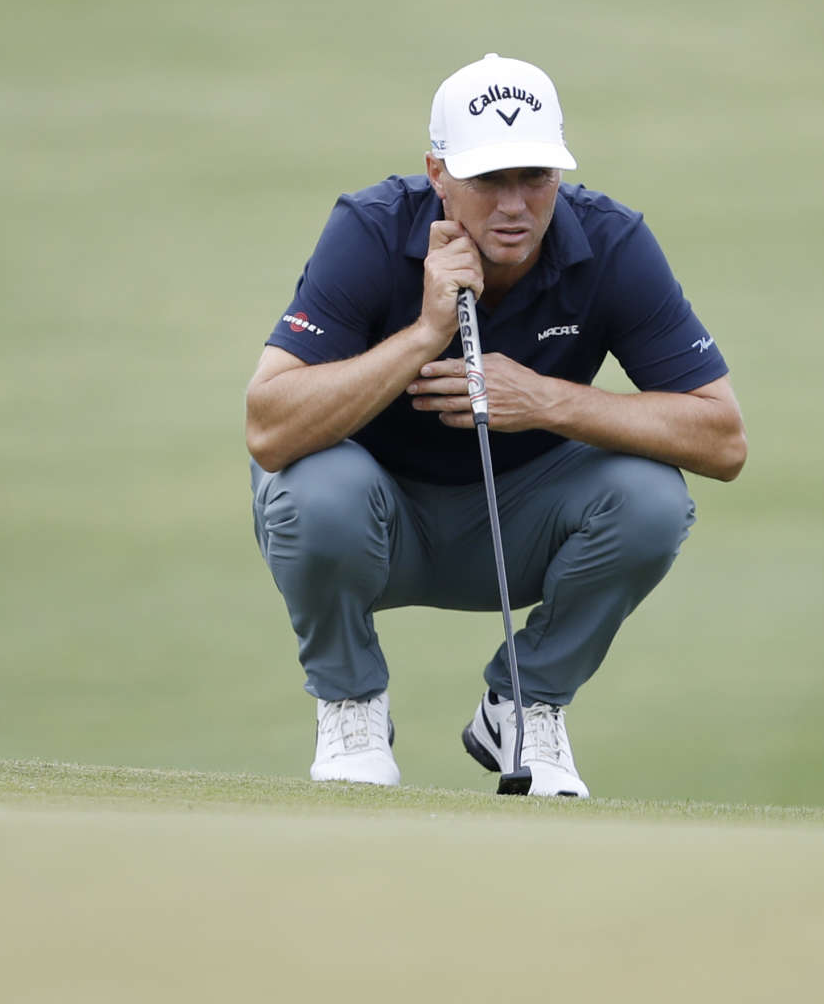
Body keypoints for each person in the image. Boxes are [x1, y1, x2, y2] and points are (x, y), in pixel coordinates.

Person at [244, 53, 745, 796]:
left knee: (652, 498)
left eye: (535, 177)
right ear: (438, 172)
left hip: (520, 524)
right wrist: (424, 331)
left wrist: (542, 400)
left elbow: (722, 438)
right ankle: (350, 703)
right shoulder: (372, 230)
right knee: (314, 488)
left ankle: (526, 701)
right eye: (488, 180)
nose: (514, 205)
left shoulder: (611, 243)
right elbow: (269, 428)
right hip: (377, 522)